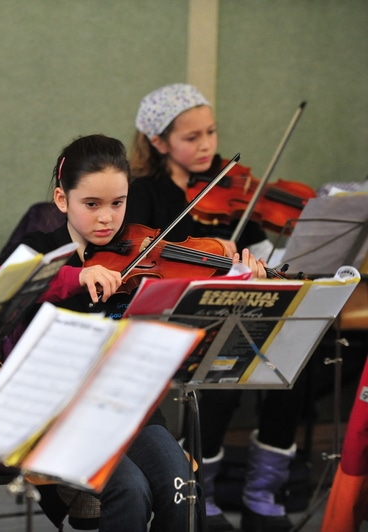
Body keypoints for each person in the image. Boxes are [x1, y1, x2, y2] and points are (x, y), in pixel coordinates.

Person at [0, 134, 266, 531]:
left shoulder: (143, 254)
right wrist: (76, 275)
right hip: (55, 411)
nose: (107, 218)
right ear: (62, 200)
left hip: (124, 402)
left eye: (118, 203)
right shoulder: (40, 247)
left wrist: (241, 284)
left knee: (181, 484)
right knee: (129, 490)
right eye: (91, 205)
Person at [128, 82, 297, 532]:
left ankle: (264, 489)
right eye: (191, 137)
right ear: (158, 142)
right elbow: (145, 257)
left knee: (297, 354)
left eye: (211, 132)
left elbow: (264, 250)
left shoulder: (231, 187)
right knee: (224, 354)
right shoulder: (146, 193)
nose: (206, 146)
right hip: (181, 312)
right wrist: (204, 253)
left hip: (240, 304)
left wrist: (262, 267)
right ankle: (205, 487)